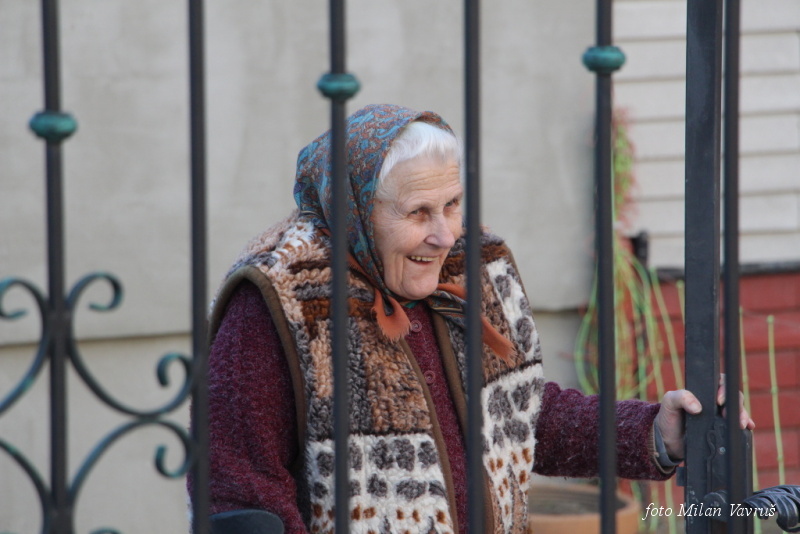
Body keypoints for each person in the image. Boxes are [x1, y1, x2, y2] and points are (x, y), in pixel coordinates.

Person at [201, 103, 754, 534]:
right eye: (418, 212)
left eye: (452, 204)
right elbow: (241, 493)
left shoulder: (476, 269)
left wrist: (654, 431)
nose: (444, 235)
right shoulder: (284, 302)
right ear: (354, 212)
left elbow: (523, 417)